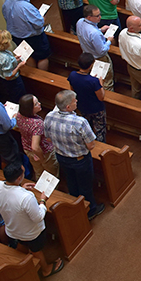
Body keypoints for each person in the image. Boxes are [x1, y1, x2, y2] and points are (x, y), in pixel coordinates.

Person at [0, 162, 65, 277]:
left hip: (12, 229)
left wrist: (19, 187)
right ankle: (46, 270)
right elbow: (38, 217)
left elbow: (8, 197)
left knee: (22, 244)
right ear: (20, 178)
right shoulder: (26, 197)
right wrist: (43, 201)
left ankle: (23, 261)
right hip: (31, 233)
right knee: (36, 250)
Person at [44, 90, 105, 220]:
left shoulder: (49, 116)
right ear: (68, 107)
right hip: (80, 160)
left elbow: (48, 139)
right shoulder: (80, 122)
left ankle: (75, 206)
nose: (76, 101)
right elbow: (91, 145)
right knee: (85, 186)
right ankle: (91, 210)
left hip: (61, 157)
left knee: (71, 183)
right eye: (74, 101)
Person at [2, 0, 52, 72]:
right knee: (42, 57)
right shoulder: (26, 7)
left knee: (27, 56)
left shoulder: (8, 1)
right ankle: (43, 76)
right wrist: (43, 19)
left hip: (16, 36)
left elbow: (5, 15)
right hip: (33, 38)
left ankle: (33, 75)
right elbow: (39, 23)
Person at [15, 95, 60, 179]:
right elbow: (35, 147)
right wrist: (42, 158)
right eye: (36, 104)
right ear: (30, 108)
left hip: (27, 148)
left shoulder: (19, 115)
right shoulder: (37, 124)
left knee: (38, 171)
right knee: (51, 175)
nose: (39, 104)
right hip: (42, 151)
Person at [68, 52, 107, 143]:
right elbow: (101, 97)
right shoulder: (94, 81)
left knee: (87, 127)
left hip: (82, 106)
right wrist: (100, 84)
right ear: (91, 65)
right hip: (96, 108)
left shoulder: (73, 75)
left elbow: (72, 90)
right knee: (99, 130)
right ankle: (100, 147)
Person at [76, 4, 115, 91]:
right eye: (97, 16)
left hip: (87, 55)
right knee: (106, 82)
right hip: (100, 59)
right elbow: (102, 51)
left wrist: (100, 30)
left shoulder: (80, 21)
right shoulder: (94, 33)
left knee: (94, 79)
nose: (100, 17)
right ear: (89, 17)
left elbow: (87, 35)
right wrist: (109, 40)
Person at [0, 30, 27, 103]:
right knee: (18, 98)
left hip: (1, 78)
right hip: (12, 83)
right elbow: (8, 76)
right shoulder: (4, 58)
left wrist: (14, 59)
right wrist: (19, 66)